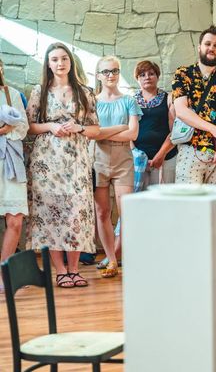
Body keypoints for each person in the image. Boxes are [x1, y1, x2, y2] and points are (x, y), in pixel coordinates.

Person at [26, 42, 100, 288]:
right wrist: (50, 126)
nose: (60, 63)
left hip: (76, 160)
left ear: (71, 62)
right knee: (51, 213)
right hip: (47, 163)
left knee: (76, 212)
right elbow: (29, 126)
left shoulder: (85, 92)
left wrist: (79, 127)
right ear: (48, 64)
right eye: (55, 59)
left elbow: (95, 129)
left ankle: (74, 269)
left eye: (64, 58)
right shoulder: (39, 91)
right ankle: (60, 270)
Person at [93, 55, 141, 278]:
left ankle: (119, 253)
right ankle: (111, 259)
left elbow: (133, 134)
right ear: (98, 75)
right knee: (102, 212)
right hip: (98, 160)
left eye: (114, 70)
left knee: (127, 213)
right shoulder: (92, 102)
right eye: (106, 71)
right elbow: (92, 134)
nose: (110, 75)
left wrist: (104, 133)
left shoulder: (129, 101)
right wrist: (120, 127)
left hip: (123, 161)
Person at [172, 25, 216, 187]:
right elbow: (181, 111)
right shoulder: (183, 74)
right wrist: (214, 129)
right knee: (188, 201)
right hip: (190, 149)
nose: (211, 48)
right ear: (199, 47)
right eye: (208, 44)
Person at [0, 64, 29, 292]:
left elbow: (23, 127)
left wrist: (6, 129)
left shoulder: (12, 94)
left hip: (10, 160)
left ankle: (3, 273)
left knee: (15, 221)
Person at [132, 60, 176, 188]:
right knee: (141, 197)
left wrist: (161, 154)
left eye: (151, 74)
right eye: (142, 75)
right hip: (138, 159)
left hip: (166, 157)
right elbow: (127, 130)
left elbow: (175, 131)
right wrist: (135, 153)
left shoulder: (168, 99)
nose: (147, 77)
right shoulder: (131, 101)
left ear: (157, 76)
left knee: (165, 197)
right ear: (137, 79)